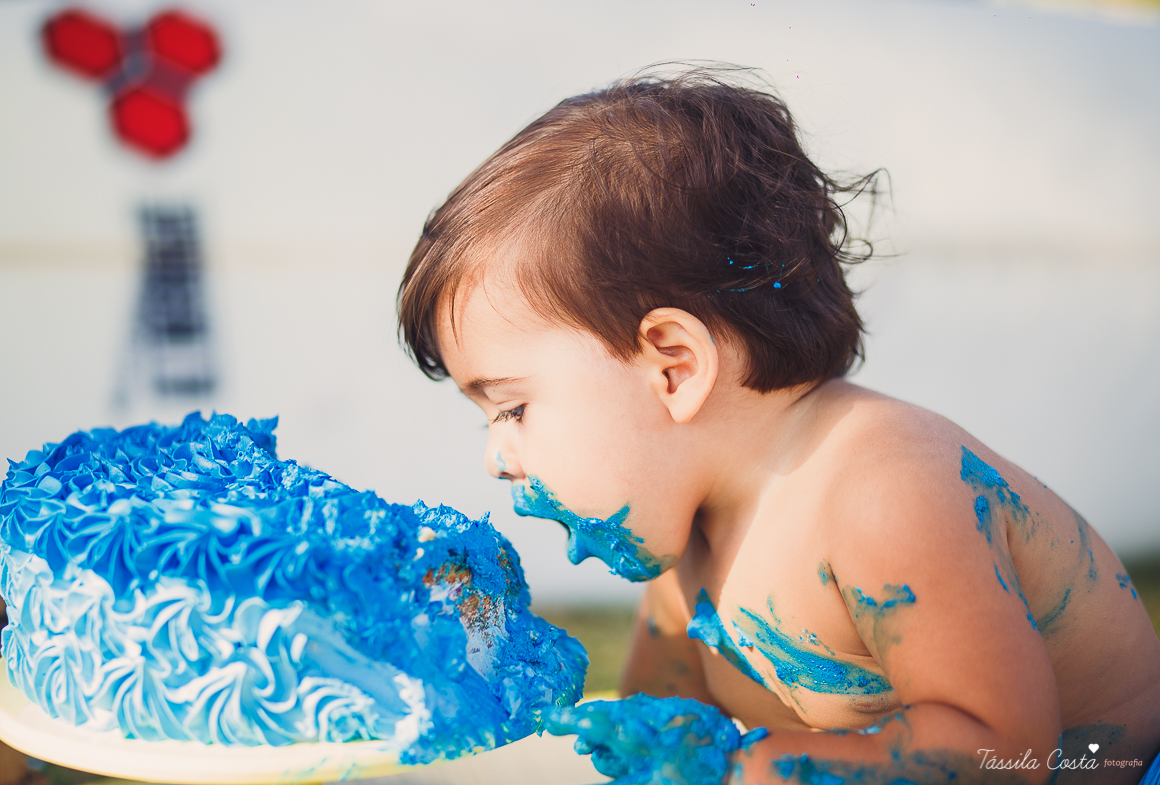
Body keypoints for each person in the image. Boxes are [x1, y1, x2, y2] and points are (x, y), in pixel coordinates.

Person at [396, 66, 1160, 784]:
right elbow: (666, 727)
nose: (498, 458)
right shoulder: (680, 545)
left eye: (512, 409)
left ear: (673, 365)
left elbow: (1009, 751)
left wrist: (748, 767)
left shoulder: (886, 492)